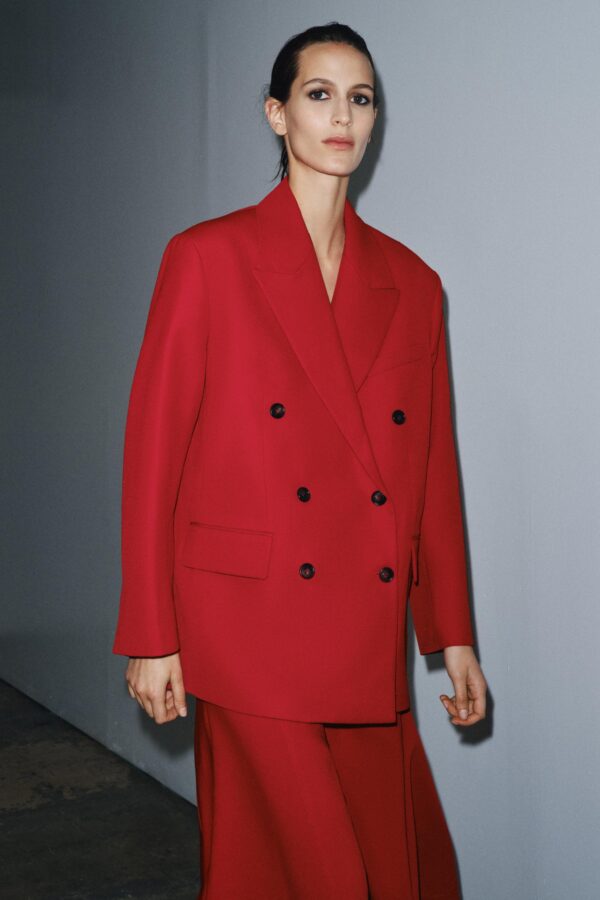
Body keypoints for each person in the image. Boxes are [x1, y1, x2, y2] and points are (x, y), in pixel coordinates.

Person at [112, 21, 487, 900]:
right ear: (277, 114)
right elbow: (152, 456)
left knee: (392, 868)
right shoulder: (206, 259)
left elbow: (430, 473)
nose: (342, 116)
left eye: (361, 98)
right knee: (322, 873)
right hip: (246, 623)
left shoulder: (414, 284)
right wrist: (150, 635)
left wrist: (452, 632)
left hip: (363, 625)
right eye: (320, 95)